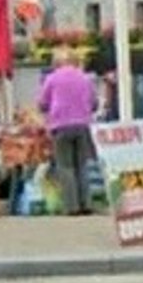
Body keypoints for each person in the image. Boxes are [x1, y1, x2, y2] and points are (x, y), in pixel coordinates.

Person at [39, 47, 98, 216]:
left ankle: (71, 206)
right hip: (82, 125)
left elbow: (42, 103)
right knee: (82, 165)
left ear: (57, 62)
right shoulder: (85, 78)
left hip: (61, 125)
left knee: (65, 166)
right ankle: (86, 203)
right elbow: (94, 103)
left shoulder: (51, 78)